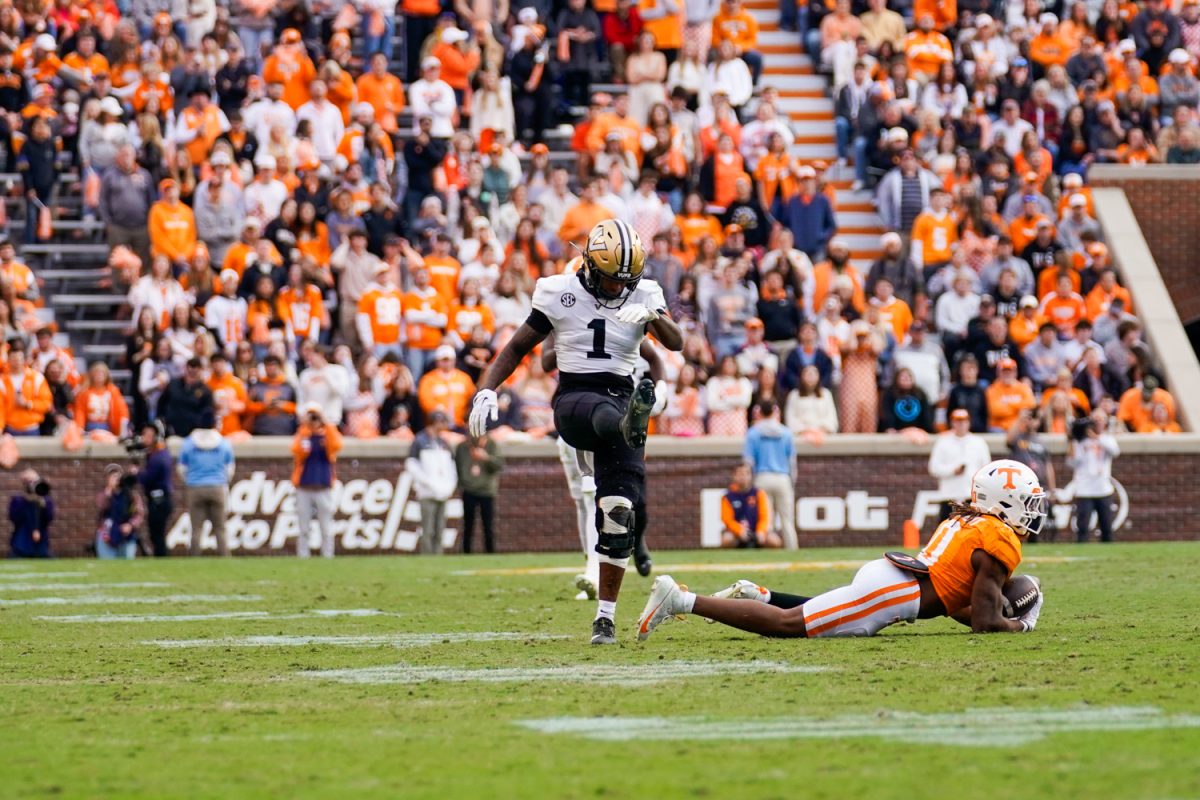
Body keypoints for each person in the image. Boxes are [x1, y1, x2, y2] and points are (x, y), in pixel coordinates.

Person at [469, 219, 683, 645]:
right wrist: (486, 390)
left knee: (620, 512)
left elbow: (676, 344)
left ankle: (605, 618)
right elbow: (517, 347)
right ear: (588, 265)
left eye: (626, 282)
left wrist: (654, 319)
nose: (617, 289)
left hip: (623, 394)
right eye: (609, 279)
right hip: (576, 397)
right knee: (607, 418)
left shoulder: (644, 293)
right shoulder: (559, 290)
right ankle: (630, 422)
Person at [637, 460, 1047, 640]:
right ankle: (682, 600)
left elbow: (956, 602)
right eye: (1027, 501)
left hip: (894, 582)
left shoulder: (966, 520)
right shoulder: (998, 537)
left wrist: (997, 614)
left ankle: (755, 593)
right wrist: (1022, 623)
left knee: (804, 615)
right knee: (788, 626)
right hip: (895, 592)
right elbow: (986, 624)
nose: (1032, 511)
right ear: (1003, 501)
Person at [177, 410, 235, 556]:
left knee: (196, 528)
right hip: (217, 486)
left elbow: (182, 468)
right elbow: (229, 468)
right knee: (220, 528)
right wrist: (222, 481)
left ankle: (195, 557)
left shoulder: (189, 444)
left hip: (195, 487)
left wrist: (191, 480)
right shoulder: (223, 443)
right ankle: (224, 557)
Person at [742, 399, 797, 549]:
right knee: (788, 521)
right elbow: (792, 460)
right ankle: (793, 551)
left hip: (762, 477)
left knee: (767, 520)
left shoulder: (753, 433)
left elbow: (748, 461)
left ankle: (769, 553)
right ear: (774, 411)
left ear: (759, 413)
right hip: (782, 477)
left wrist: (751, 481)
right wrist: (792, 480)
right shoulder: (786, 432)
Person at [291, 402, 343, 558]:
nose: (314, 420)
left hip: (323, 487)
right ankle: (303, 555)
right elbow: (296, 450)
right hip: (304, 487)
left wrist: (326, 423)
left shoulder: (327, 435)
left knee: (326, 526)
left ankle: (327, 555)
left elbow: (337, 445)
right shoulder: (303, 434)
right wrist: (305, 428)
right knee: (303, 526)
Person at [406, 410, 457, 555]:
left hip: (443, 490)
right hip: (427, 492)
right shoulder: (420, 441)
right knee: (427, 528)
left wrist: (449, 486)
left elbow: (450, 467)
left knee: (440, 528)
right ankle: (427, 556)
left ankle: (438, 556)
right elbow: (412, 466)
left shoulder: (444, 442)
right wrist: (428, 483)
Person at [928, 409, 992, 523]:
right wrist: (953, 471)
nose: (961, 424)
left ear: (969, 422)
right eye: (957, 421)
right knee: (946, 531)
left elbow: (986, 470)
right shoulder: (943, 442)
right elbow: (934, 468)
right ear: (952, 423)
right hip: (949, 496)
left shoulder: (979, 442)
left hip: (970, 496)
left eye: (964, 421)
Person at [1068, 411, 1120, 543]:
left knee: (1107, 527)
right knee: (1083, 527)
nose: (1098, 422)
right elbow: (1072, 463)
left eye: (1101, 419)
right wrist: (1072, 441)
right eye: (1095, 419)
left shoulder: (1107, 439)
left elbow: (1115, 451)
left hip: (1104, 489)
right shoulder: (1080, 441)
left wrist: (1095, 437)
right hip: (1084, 490)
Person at [455, 430, 504, 554]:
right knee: (468, 525)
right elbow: (458, 467)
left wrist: (486, 458)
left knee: (488, 525)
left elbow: (499, 465)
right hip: (469, 490)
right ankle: (466, 552)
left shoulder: (491, 444)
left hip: (486, 491)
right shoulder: (463, 446)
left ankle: (490, 552)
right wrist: (463, 483)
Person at [720, 462, 783, 549]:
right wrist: (739, 531)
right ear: (734, 476)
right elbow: (727, 520)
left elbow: (764, 516)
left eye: (746, 474)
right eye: (740, 474)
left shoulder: (759, 493)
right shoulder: (728, 497)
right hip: (738, 533)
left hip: (756, 531)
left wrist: (760, 531)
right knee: (727, 539)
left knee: (774, 541)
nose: (743, 477)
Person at [135, 422, 174, 557]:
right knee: (156, 533)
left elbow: (148, 478)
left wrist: (137, 473)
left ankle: (161, 558)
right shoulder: (157, 454)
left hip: (160, 500)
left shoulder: (159, 456)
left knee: (157, 533)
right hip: (158, 499)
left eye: (149, 435)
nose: (145, 438)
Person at [157, 357, 215, 437]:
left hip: (193, 434)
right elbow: (161, 403)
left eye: (194, 373)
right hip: (171, 430)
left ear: (200, 371)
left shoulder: (205, 391)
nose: (191, 376)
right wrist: (162, 421)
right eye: (189, 372)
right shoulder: (173, 384)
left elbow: (207, 414)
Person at [96, 466, 144, 560]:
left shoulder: (131, 495)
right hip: (108, 533)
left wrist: (130, 525)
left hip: (126, 534)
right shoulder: (104, 495)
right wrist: (109, 491)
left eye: (118, 476)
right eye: (113, 476)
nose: (116, 479)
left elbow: (139, 513)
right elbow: (101, 507)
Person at [9, 469, 53, 558]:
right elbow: (14, 518)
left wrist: (42, 504)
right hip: (21, 543)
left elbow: (49, 518)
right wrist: (26, 501)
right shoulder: (18, 500)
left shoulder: (45, 499)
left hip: (41, 544)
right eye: (29, 481)